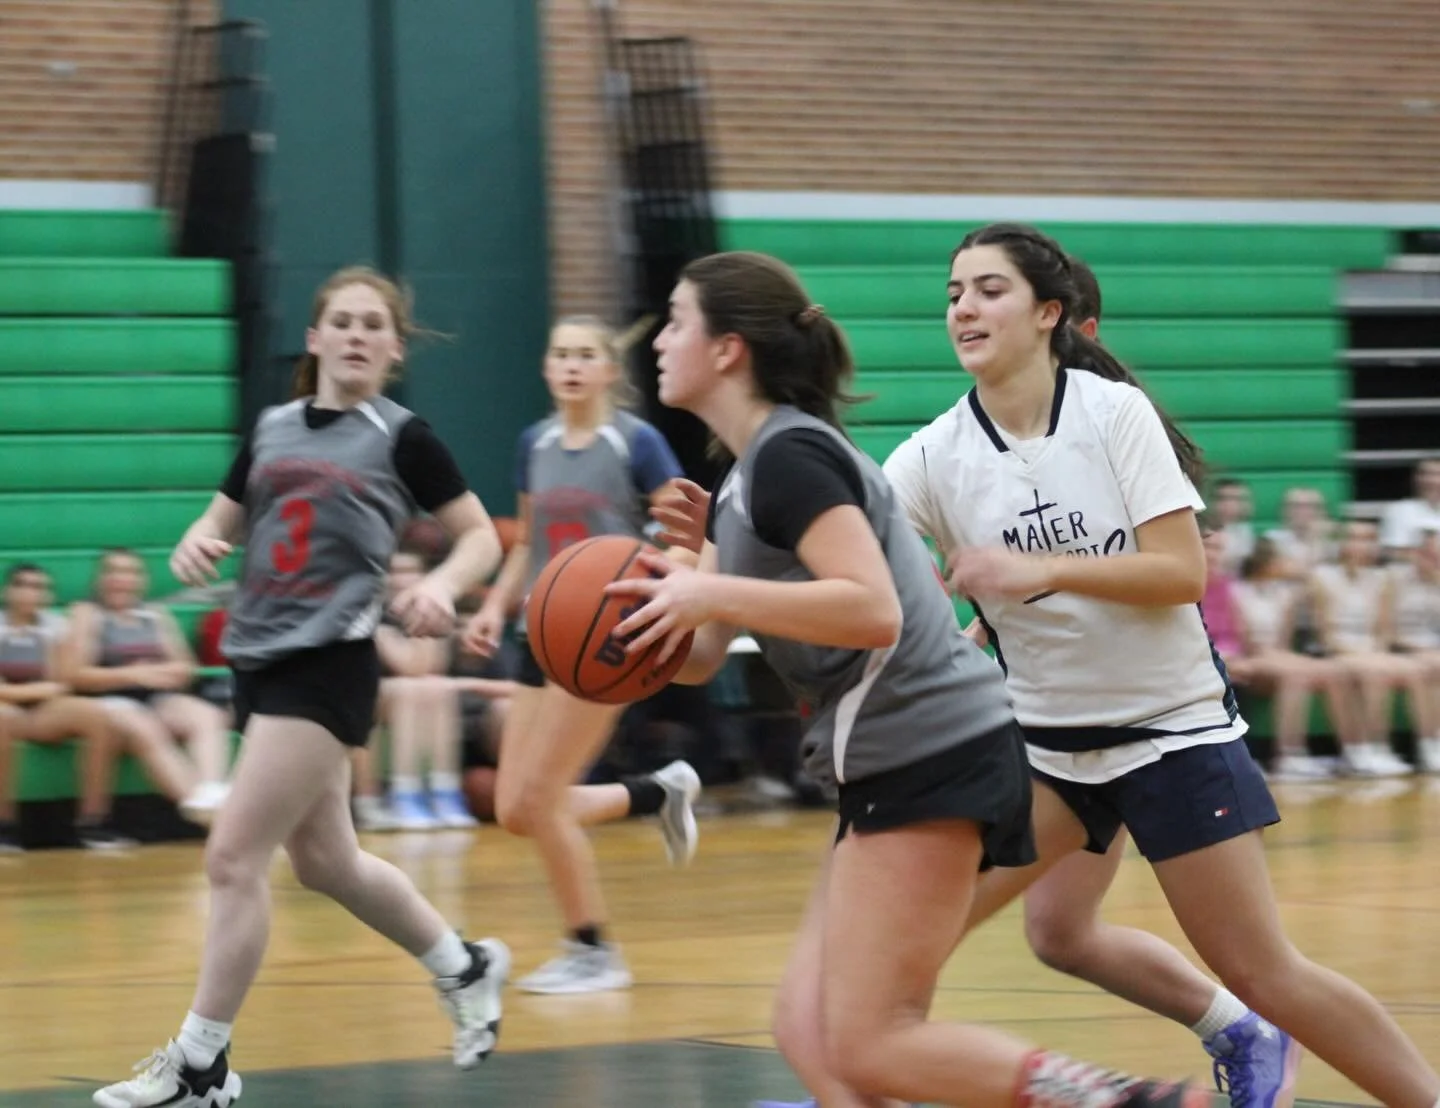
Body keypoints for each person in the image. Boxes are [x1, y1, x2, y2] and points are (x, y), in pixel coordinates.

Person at [609, 249, 1209, 1108]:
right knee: (808, 1029)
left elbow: (873, 608)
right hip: (901, 752)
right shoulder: (743, 478)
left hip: (930, 746)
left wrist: (705, 585)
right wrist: (645, 613)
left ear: (729, 347)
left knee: (869, 1039)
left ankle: (1116, 1101)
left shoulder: (791, 456)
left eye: (676, 320)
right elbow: (704, 655)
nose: (659, 340)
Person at [873, 222, 1436, 1108]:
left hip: (1168, 736)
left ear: (1048, 313)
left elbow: (1181, 574)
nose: (965, 308)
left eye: (988, 289)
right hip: (1051, 752)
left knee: (1263, 967)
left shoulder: (1111, 417)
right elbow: (857, 551)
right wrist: (731, 542)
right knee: (941, 941)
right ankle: (868, 1086)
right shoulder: (934, 453)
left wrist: (1038, 570)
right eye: (953, 293)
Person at [94, 266, 510, 1108]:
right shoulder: (275, 428)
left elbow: (479, 538)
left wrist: (440, 586)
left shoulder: (403, 437)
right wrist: (198, 540)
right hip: (261, 656)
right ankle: (463, 964)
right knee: (327, 862)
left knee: (232, 856)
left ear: (393, 349)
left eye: (373, 325)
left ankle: (201, 1065)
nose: (356, 335)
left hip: (331, 662)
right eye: (342, 322)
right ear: (315, 338)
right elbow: (223, 515)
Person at [464, 315, 702, 994]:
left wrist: (658, 588)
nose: (571, 364)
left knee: (539, 800)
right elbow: (526, 543)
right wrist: (491, 605)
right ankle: (656, 792)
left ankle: (593, 948)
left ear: (607, 370)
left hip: (604, 639)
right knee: (515, 808)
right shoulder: (534, 443)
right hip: (539, 630)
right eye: (560, 353)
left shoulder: (638, 442)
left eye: (585, 355)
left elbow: (687, 532)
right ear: (547, 369)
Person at [67, 548, 234, 823]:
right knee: (146, 726)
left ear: (141, 580)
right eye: (114, 571)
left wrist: (169, 671)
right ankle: (211, 815)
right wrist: (133, 675)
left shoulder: (155, 614)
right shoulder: (87, 613)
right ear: (101, 579)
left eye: (130, 572)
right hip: (108, 699)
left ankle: (211, 792)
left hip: (157, 696)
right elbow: (76, 675)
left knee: (207, 715)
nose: (122, 578)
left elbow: (185, 666)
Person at [0, 562, 130, 851]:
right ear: (8, 591)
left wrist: (27, 691)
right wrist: (35, 690)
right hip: (7, 713)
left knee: (98, 716)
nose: (32, 593)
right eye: (24, 585)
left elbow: (61, 683)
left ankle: (93, 822)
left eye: (40, 587)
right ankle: (4, 825)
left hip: (43, 712)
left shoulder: (55, 626)